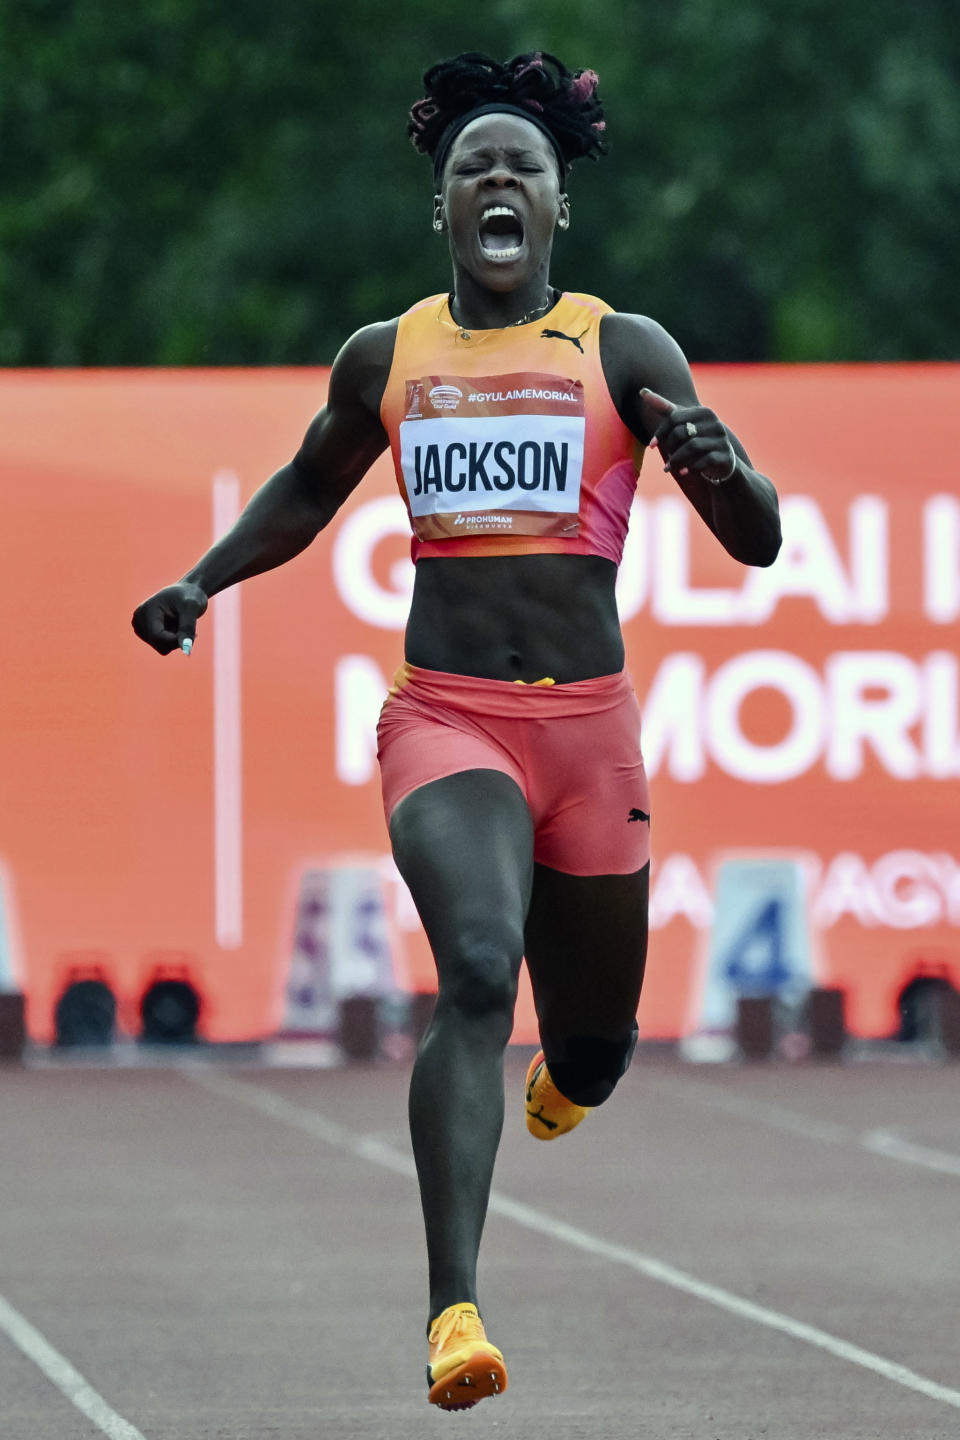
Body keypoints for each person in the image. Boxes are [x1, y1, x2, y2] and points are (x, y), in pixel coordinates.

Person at [133, 50, 781, 1412]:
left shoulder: (624, 347)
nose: (496, 181)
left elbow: (758, 540)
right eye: (470, 168)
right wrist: (203, 578)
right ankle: (454, 1310)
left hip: (589, 735)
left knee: (594, 1049)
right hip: (448, 722)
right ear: (444, 213)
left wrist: (726, 472)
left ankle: (571, 1077)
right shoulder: (391, 355)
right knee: (478, 970)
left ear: (557, 208)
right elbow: (307, 494)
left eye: (521, 168)